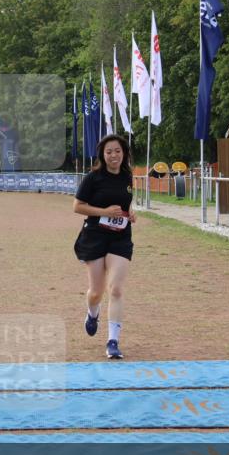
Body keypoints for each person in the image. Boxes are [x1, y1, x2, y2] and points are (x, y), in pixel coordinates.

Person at [72, 134, 136, 360]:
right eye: (109, 152)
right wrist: (105, 212)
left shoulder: (128, 176)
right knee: (96, 292)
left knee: (116, 289)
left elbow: (127, 203)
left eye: (117, 151)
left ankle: (112, 341)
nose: (113, 155)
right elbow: (77, 207)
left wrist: (131, 213)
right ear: (102, 154)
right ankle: (92, 313)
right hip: (95, 237)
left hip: (120, 238)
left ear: (124, 153)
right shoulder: (93, 177)